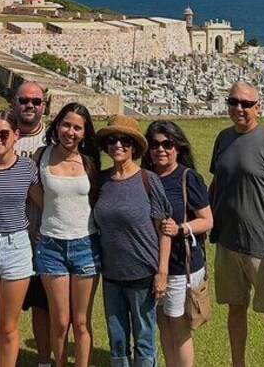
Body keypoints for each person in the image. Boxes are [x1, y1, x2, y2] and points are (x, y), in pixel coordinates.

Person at [209, 81, 264, 367]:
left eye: (246, 103)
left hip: (262, 246)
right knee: (235, 307)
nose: (239, 108)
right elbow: (217, 184)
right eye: (233, 102)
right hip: (228, 242)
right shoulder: (223, 139)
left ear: (259, 107)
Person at [0, 81, 53, 367]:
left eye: (3, 134)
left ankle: (43, 361)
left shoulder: (33, 162)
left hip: (20, 244)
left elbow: (48, 204)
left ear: (14, 135)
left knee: (12, 325)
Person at [94, 115, 172, 367]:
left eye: (125, 140)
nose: (118, 145)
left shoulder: (148, 180)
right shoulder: (101, 181)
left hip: (142, 274)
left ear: (134, 147)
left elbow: (164, 230)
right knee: (116, 339)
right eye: (112, 140)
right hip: (112, 274)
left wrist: (162, 272)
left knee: (144, 339)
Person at [31, 102, 101, 367]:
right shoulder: (42, 155)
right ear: (57, 125)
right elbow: (27, 184)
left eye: (77, 127)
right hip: (51, 246)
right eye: (66, 125)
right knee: (59, 320)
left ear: (85, 133)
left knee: (81, 321)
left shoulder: (89, 162)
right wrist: (48, 210)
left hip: (86, 244)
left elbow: (96, 200)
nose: (70, 132)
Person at [143, 121, 213, 367]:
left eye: (167, 144)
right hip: (152, 262)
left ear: (177, 147)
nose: (161, 150)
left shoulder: (187, 177)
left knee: (179, 327)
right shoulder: (146, 177)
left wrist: (181, 228)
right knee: (163, 324)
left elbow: (207, 220)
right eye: (154, 145)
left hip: (180, 265)